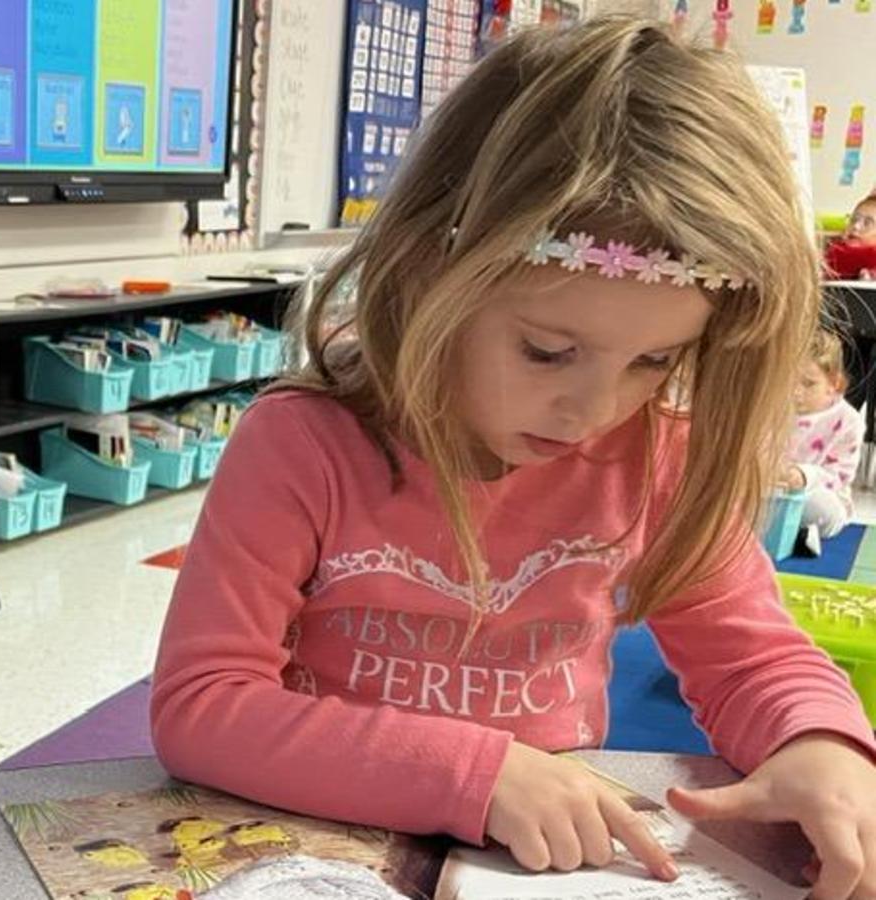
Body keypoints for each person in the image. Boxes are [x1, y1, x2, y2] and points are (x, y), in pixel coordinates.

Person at [152, 17, 876, 900]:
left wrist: (823, 747)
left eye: (653, 362)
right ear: (430, 270)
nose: (594, 410)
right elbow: (203, 706)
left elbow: (754, 661)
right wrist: (477, 773)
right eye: (545, 350)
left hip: (535, 866)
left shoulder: (658, 457)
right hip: (314, 844)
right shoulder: (305, 442)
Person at [782, 330, 865, 554]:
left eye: (808, 384)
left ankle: (796, 533)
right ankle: (785, 535)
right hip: (772, 493)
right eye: (789, 381)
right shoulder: (774, 408)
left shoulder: (848, 421)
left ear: (835, 384)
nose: (796, 392)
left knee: (825, 512)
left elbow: (839, 476)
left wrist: (803, 476)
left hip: (816, 495)